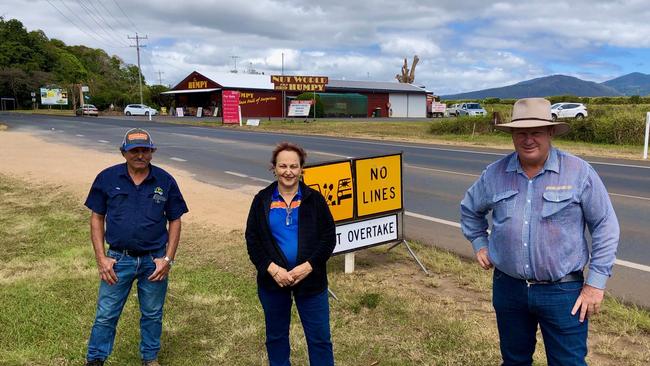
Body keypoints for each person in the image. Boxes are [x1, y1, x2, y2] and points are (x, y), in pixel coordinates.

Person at [460, 98, 619, 366]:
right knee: (514, 360)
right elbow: (469, 210)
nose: (528, 139)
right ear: (512, 135)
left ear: (550, 132)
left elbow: (605, 225)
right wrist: (479, 243)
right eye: (521, 132)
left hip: (564, 292)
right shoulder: (494, 174)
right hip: (509, 289)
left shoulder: (579, 172)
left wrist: (595, 285)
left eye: (536, 132)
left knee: (568, 363)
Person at [84, 128, 189, 366]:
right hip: (118, 260)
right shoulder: (107, 178)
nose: (139, 155)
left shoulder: (165, 180)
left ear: (152, 152)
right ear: (123, 152)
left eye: (144, 150)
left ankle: (150, 358)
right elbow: (97, 217)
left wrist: (168, 259)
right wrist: (102, 258)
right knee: (106, 314)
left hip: (154, 262)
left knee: (152, 314)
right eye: (134, 150)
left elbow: (175, 219)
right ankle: (96, 358)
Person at [245, 142, 336, 366]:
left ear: (301, 169)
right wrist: (273, 270)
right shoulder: (262, 200)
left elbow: (328, 238)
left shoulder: (315, 200)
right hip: (274, 282)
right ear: (274, 168)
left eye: (294, 166)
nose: (288, 171)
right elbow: (253, 239)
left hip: (311, 281)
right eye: (283, 165)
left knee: (320, 339)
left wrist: (308, 266)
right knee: (276, 338)